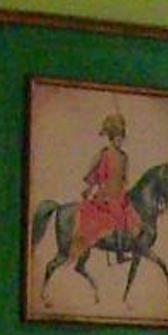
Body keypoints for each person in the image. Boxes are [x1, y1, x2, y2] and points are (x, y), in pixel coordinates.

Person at [71, 110, 138, 266]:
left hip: (120, 194)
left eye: (121, 139)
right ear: (112, 139)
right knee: (118, 214)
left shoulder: (124, 157)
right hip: (105, 195)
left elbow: (124, 179)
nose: (120, 142)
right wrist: (92, 189)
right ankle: (119, 254)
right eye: (117, 139)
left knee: (133, 215)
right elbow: (95, 175)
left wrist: (125, 191)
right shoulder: (104, 155)